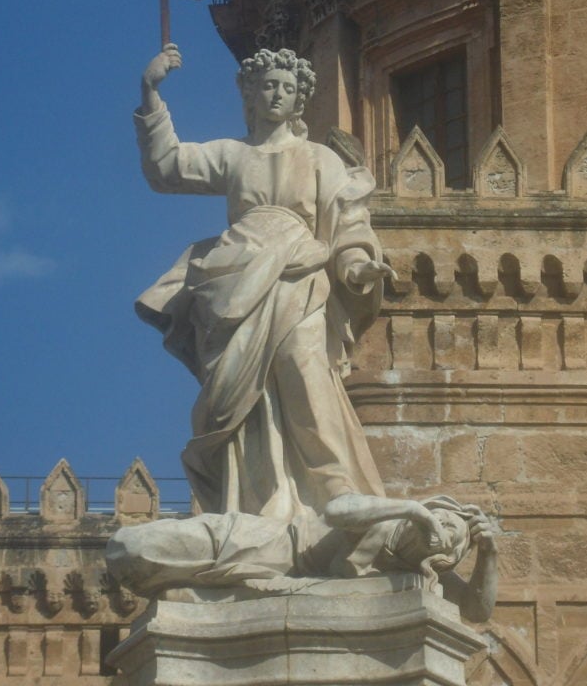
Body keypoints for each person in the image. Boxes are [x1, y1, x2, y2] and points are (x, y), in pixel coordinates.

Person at [134, 45, 395, 520]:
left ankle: (334, 484)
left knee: (304, 365)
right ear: (251, 95)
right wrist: (151, 92)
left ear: (300, 102)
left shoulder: (320, 159)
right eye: (269, 86)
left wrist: (357, 264)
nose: (278, 94)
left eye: (288, 88)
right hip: (236, 274)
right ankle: (259, 493)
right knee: (238, 391)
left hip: (300, 270)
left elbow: (348, 219)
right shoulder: (234, 155)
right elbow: (167, 167)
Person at [106, 493, 498, 623]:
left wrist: (488, 555)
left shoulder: (412, 574)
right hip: (265, 541)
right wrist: (414, 509)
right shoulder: (390, 514)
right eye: (444, 517)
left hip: (281, 581)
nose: (439, 526)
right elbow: (338, 511)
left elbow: (476, 610)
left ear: (439, 557)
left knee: (164, 588)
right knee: (133, 549)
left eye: (449, 534)